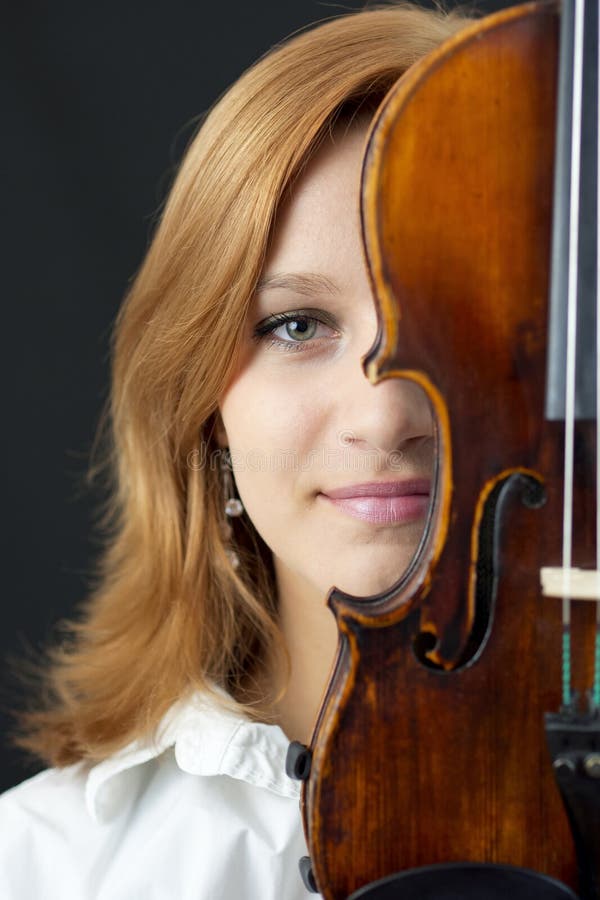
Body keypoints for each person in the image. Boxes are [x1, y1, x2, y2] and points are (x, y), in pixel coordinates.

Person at [1, 4, 468, 898]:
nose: (384, 413)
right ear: (208, 401)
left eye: (453, 318)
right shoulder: (39, 867)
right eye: (297, 324)